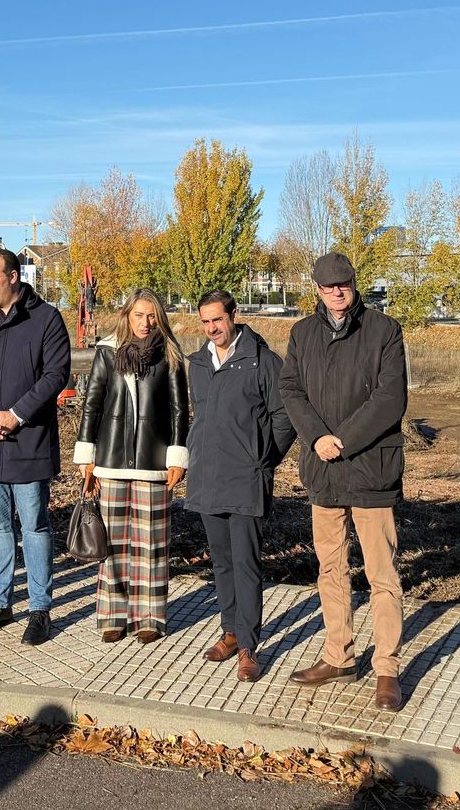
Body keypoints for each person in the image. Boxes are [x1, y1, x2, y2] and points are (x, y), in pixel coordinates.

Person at [279, 252, 409, 712]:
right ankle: (339, 656)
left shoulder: (383, 331)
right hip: (324, 471)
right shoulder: (302, 334)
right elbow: (291, 390)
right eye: (329, 285)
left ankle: (388, 668)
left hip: (370, 468)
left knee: (381, 573)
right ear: (315, 288)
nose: (337, 291)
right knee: (330, 569)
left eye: (345, 283)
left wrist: (344, 440)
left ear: (355, 284)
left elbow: (391, 398)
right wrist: (317, 437)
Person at [0, 247, 71, 646]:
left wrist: (15, 415)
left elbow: (56, 374)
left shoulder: (46, 319)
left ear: (14, 277)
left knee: (34, 526)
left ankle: (40, 608)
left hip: (28, 442)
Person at [184, 290, 295, 682]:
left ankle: (248, 645)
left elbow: (285, 416)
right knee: (223, 562)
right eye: (205, 322)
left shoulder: (262, 361)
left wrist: (263, 458)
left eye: (218, 319)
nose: (212, 328)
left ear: (234, 315)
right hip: (208, 479)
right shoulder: (198, 363)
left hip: (247, 480)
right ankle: (229, 632)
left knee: (247, 564)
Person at [73, 288, 189, 644]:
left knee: (151, 544)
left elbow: (180, 410)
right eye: (139, 315)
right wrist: (86, 456)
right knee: (115, 545)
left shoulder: (169, 353)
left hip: (154, 462)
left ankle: (150, 617)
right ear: (127, 315)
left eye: (151, 316)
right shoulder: (107, 352)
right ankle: (113, 615)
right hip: (110, 460)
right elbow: (92, 403)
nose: (145, 323)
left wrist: (177, 456)